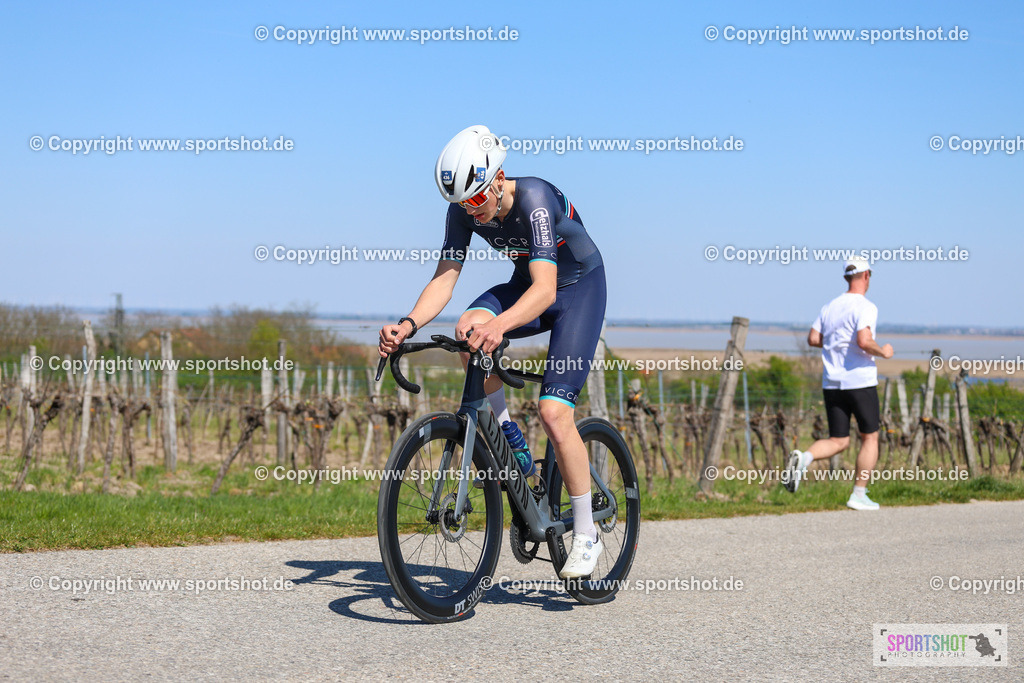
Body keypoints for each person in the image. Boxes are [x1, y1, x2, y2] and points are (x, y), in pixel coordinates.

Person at [378, 125, 607, 577]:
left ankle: (586, 532)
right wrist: (407, 324)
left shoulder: (534, 198)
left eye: (478, 200)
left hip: (577, 290)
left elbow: (544, 290)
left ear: (498, 177)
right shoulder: (465, 208)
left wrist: (500, 325)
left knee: (555, 412)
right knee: (468, 327)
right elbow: (445, 278)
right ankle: (508, 436)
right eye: (462, 204)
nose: (472, 211)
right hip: (531, 285)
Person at [784, 257, 894, 510]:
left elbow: (813, 338)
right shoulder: (866, 306)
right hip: (859, 381)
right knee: (870, 437)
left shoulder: (830, 306)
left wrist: (836, 344)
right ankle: (858, 494)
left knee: (838, 440)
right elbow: (865, 341)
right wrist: (884, 352)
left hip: (832, 383)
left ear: (847, 277)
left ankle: (805, 458)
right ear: (866, 276)